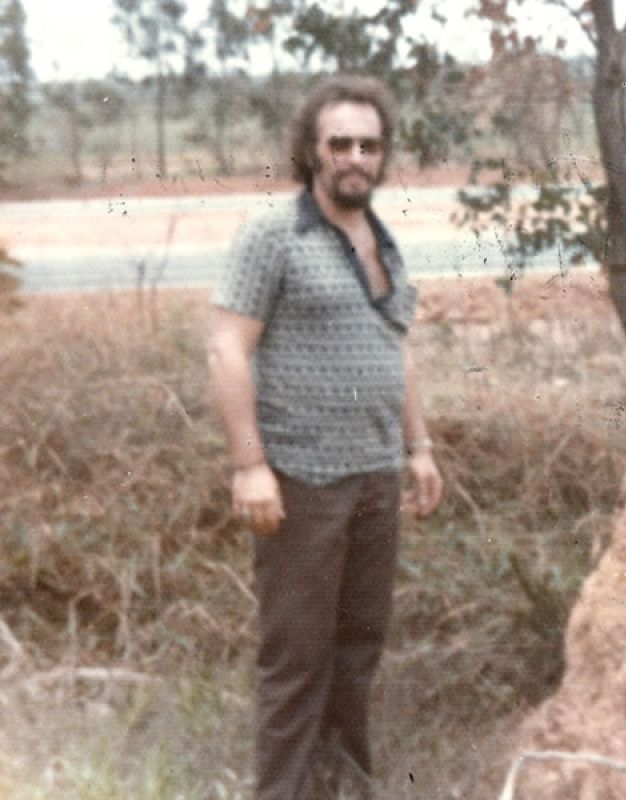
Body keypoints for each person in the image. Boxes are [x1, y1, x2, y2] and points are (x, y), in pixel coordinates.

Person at [206, 75, 443, 799]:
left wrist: (420, 447)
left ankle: (343, 790)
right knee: (297, 662)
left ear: (383, 156)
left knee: (356, 654)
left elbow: (393, 348)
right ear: (311, 151)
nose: (355, 157)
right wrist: (250, 466)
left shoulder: (384, 241)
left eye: (369, 145)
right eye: (339, 143)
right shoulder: (273, 236)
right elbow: (225, 348)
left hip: (375, 480)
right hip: (302, 482)